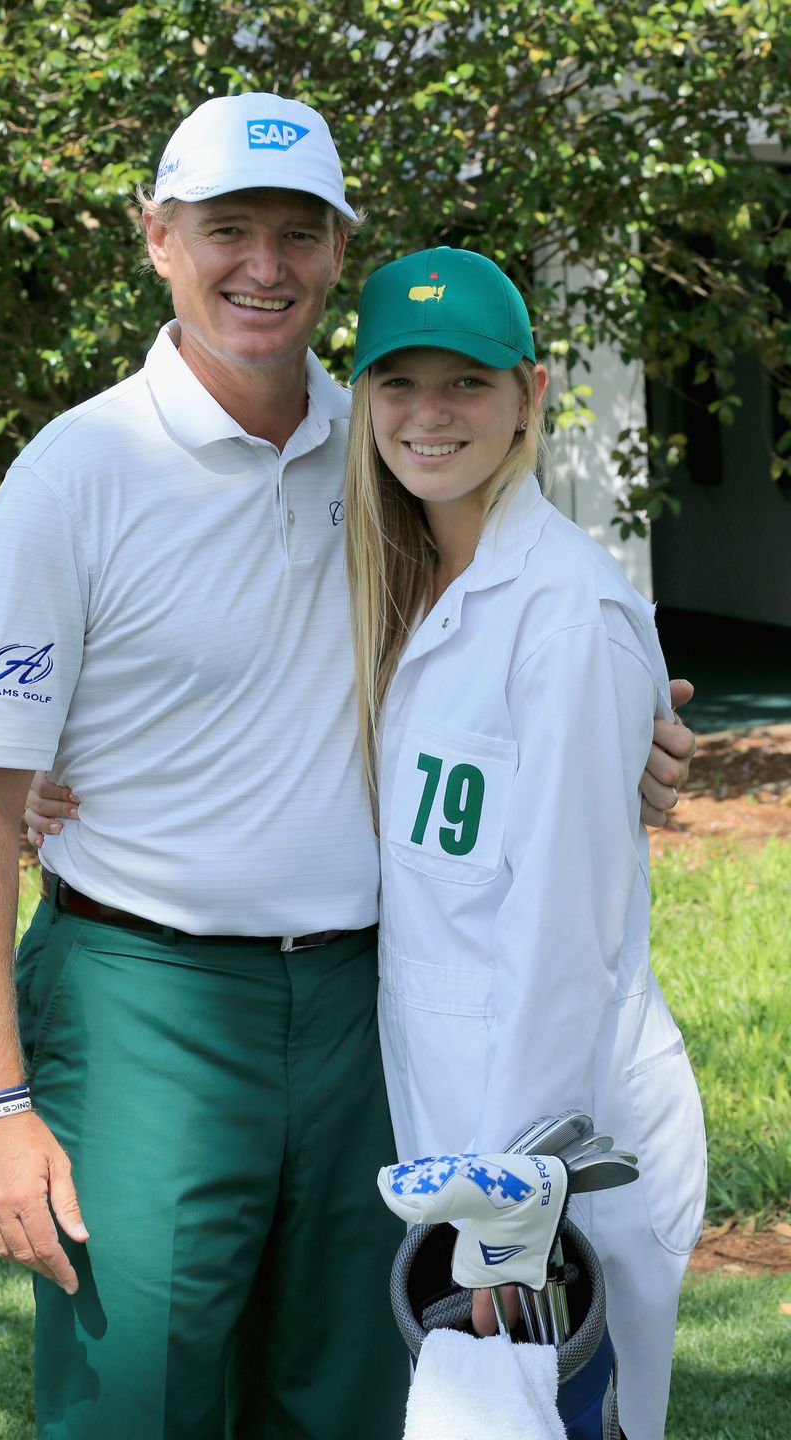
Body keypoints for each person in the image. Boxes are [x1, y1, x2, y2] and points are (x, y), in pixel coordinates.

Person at [0, 91, 695, 1439]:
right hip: (144, 994)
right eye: (228, 228)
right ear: (157, 237)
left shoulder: (390, 447)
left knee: (354, 1390)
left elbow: (504, 658)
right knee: (137, 1400)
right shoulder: (76, 474)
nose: (263, 264)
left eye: (297, 231)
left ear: (341, 251)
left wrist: (626, 728)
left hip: (364, 1001)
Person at [342, 245, 707, 1438]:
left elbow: (565, 939)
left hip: (562, 1159)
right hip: (462, 1140)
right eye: (399, 383)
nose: (429, 415)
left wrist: (510, 1219)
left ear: (532, 395)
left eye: (469, 383)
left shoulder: (568, 618)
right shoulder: (403, 580)